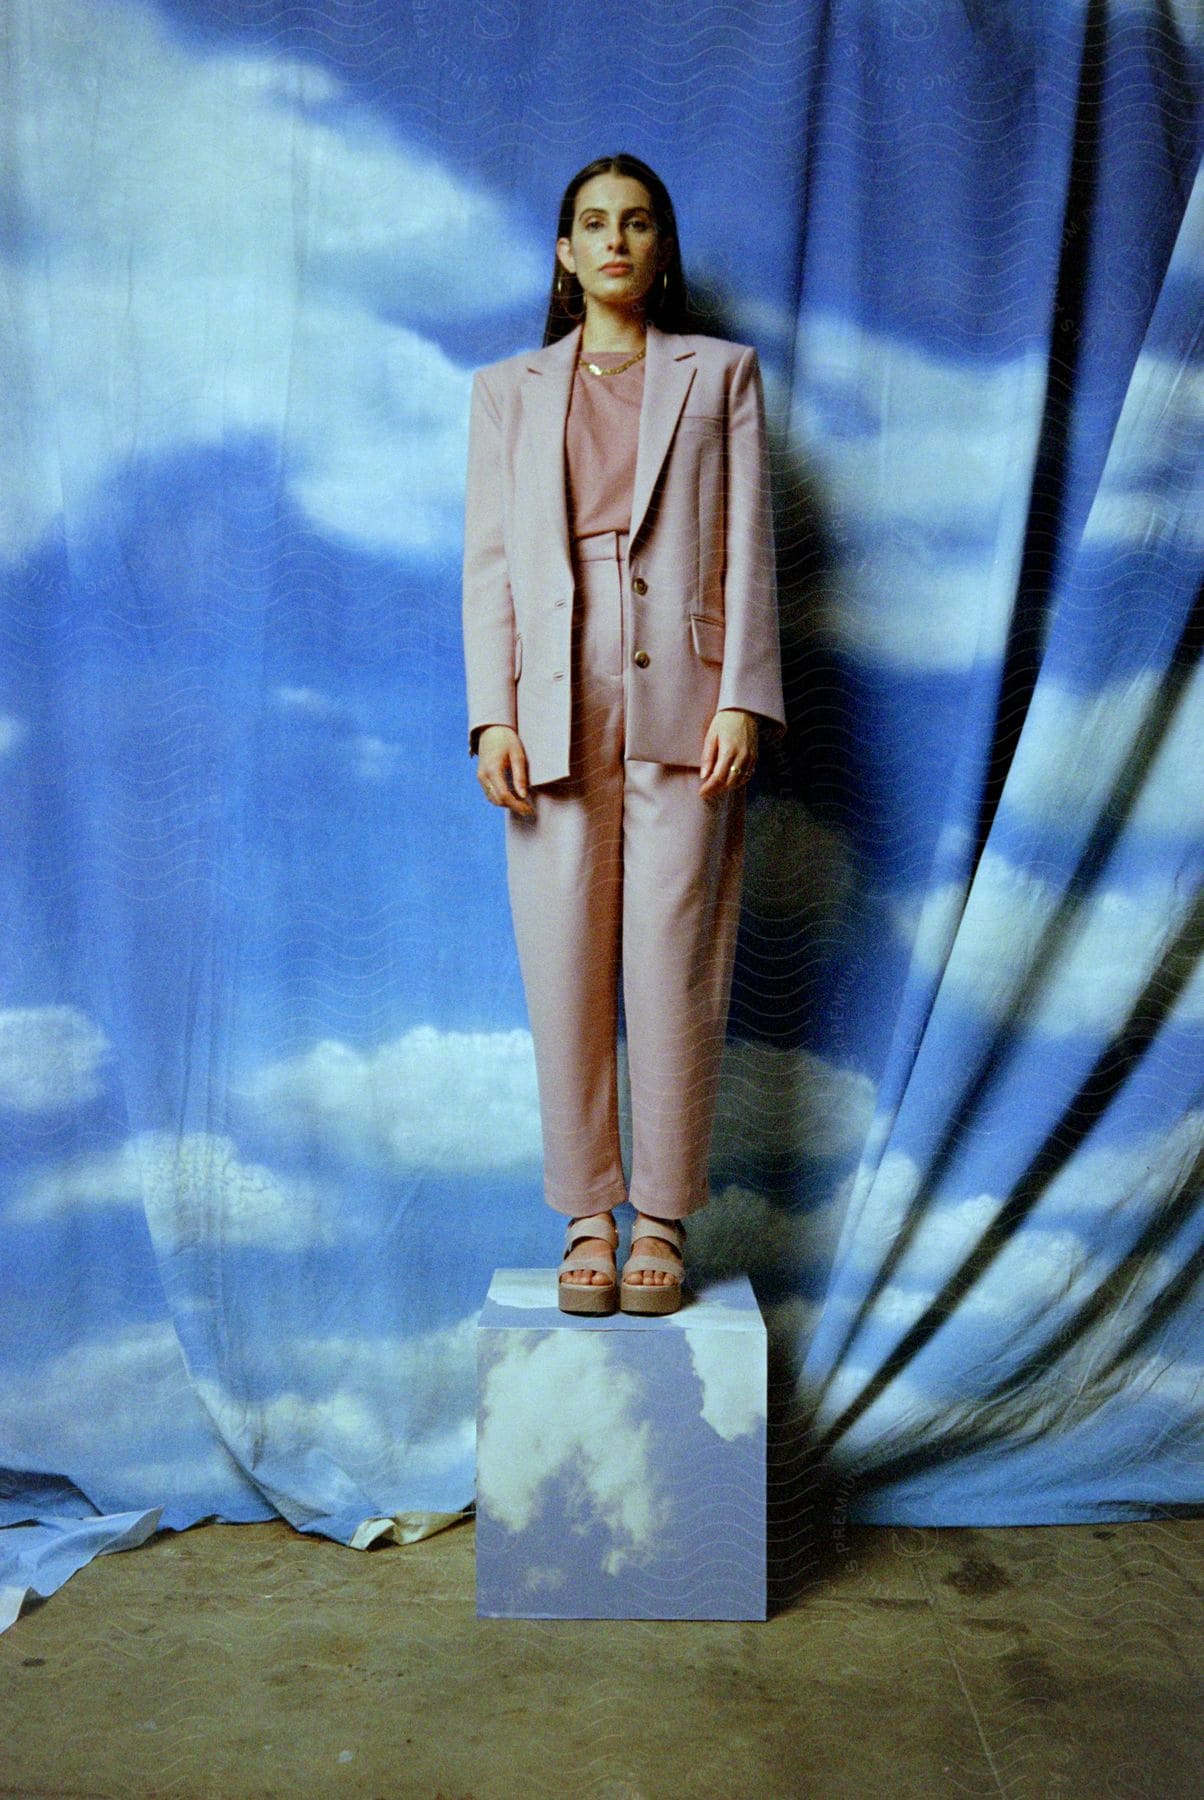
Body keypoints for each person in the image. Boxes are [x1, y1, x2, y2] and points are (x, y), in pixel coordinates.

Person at [462, 153, 786, 1317]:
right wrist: (491, 713)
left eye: (638, 222)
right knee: (562, 959)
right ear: (563, 252)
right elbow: (489, 562)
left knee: (671, 955)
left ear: (661, 247)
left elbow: (747, 540)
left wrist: (744, 691)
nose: (615, 241)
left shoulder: (720, 375)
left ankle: (661, 1215)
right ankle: (584, 1215)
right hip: (548, 688)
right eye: (593, 224)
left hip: (685, 688)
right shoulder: (508, 390)